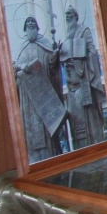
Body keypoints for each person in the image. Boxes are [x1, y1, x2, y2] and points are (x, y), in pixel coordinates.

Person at [13, 16, 64, 163]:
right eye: (28, 23)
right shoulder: (20, 48)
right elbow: (13, 67)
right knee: (30, 131)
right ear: (25, 28)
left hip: (43, 96)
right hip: (28, 100)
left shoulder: (44, 44)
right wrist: (21, 67)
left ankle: (51, 158)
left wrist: (54, 55)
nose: (30, 24)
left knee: (46, 130)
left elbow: (52, 67)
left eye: (33, 23)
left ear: (37, 27)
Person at [61, 6, 107, 148]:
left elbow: (92, 51)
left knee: (91, 122)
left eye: (70, 14)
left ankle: (96, 147)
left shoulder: (84, 31)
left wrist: (79, 60)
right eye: (66, 15)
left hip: (84, 83)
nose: (68, 16)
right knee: (77, 127)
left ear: (76, 17)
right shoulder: (66, 38)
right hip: (72, 88)